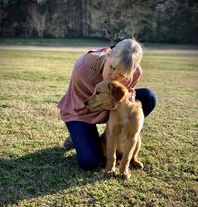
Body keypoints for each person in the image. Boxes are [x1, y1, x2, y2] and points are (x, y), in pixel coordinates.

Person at [57, 38, 157, 170]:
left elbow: (121, 100)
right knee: (90, 162)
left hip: (110, 110)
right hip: (80, 113)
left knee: (148, 97)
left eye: (121, 74)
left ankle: (113, 136)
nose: (113, 76)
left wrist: (127, 101)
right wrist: (108, 106)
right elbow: (79, 107)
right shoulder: (82, 68)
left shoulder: (135, 73)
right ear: (109, 54)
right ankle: (76, 136)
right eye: (112, 67)